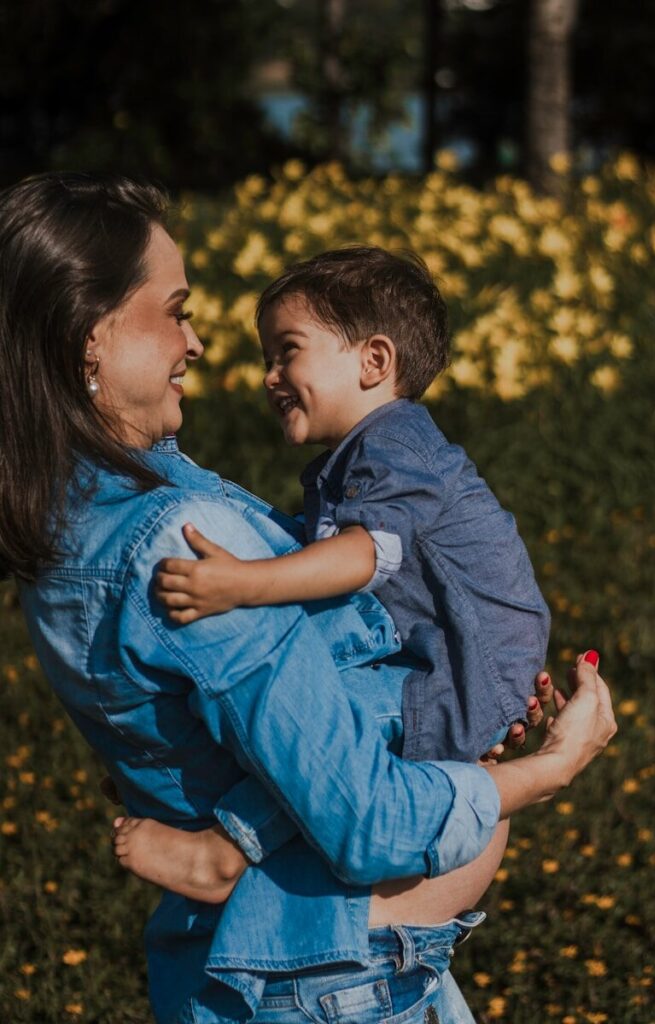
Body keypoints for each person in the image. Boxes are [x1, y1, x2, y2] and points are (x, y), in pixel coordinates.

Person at [0, 172, 617, 1024]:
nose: (198, 344)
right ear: (91, 336)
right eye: (175, 309)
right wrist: (549, 771)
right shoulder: (182, 539)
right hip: (329, 982)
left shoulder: (66, 529)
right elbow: (367, 821)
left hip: (280, 971)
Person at [150, 246, 551, 765]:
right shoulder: (369, 450)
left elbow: (365, 555)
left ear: (374, 361)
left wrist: (244, 583)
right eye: (266, 360)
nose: (269, 377)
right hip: (438, 667)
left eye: (287, 352)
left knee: (300, 728)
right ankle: (182, 769)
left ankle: (220, 837)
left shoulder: (394, 445)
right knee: (267, 704)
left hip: (456, 683)